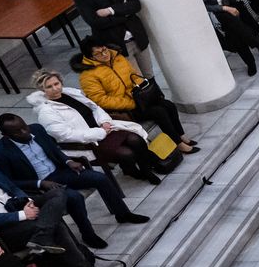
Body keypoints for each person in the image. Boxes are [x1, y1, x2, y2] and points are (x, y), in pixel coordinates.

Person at [0, 112, 146, 231]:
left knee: (100, 178)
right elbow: (10, 182)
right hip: (40, 186)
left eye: (24, 127)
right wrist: (40, 183)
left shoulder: (37, 129)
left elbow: (54, 150)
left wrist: (68, 161)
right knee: (74, 197)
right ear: (5, 135)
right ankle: (88, 233)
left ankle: (123, 214)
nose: (25, 132)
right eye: (18, 132)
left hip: (59, 172)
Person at [28, 66, 163, 182]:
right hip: (90, 142)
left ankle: (146, 170)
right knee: (126, 153)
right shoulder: (46, 111)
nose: (55, 88)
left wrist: (104, 121)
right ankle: (132, 170)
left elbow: (95, 108)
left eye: (56, 84)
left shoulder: (71, 93)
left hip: (104, 128)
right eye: (49, 87)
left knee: (136, 139)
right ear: (42, 90)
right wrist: (100, 132)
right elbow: (65, 135)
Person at [73, 40, 198, 153]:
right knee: (159, 111)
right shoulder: (87, 76)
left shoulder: (118, 57)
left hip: (138, 99)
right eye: (99, 54)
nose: (105, 54)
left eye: (104, 49)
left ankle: (181, 135)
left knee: (168, 104)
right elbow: (100, 100)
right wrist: (130, 103)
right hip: (124, 109)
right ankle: (178, 143)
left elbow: (134, 75)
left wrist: (142, 94)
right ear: (90, 57)